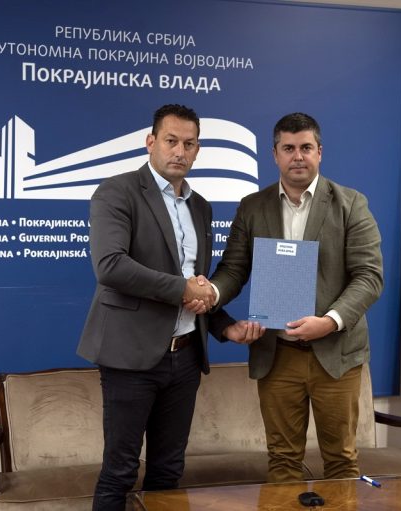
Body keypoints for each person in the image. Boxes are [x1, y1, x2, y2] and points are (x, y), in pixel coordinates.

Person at [77, 104, 264, 511]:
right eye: (171, 141)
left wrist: (224, 326)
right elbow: (111, 266)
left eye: (189, 144)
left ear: (198, 150)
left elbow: (196, 283)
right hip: (131, 356)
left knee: (168, 471)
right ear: (151, 142)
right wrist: (183, 288)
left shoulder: (201, 206)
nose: (180, 151)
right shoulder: (117, 191)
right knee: (120, 471)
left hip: (185, 358)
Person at [209, 112, 383, 482]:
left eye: (306, 147)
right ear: (275, 154)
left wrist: (330, 321)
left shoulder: (351, 204)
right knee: (283, 463)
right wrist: (211, 292)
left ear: (320, 152)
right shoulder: (252, 206)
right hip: (277, 354)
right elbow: (234, 270)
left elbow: (369, 276)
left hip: (335, 353)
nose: (297, 156)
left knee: (341, 462)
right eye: (288, 148)